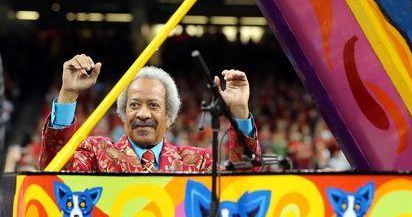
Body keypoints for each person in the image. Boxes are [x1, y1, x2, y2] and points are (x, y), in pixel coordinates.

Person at [39, 54, 260, 172]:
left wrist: (240, 111)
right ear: (123, 114)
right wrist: (68, 94)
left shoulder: (197, 163)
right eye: (134, 105)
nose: (143, 114)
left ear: (170, 117)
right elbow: (55, 168)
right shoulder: (98, 154)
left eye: (153, 105)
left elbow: (242, 183)